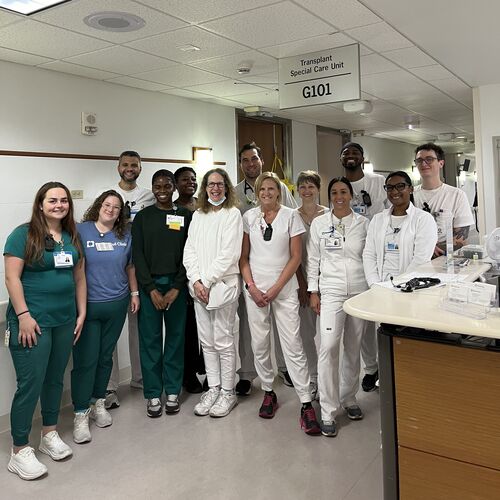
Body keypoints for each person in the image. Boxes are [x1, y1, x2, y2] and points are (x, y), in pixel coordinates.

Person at [4, 182, 86, 480]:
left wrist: (81, 312)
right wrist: (23, 315)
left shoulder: (71, 236)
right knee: (30, 383)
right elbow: (12, 278)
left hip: (64, 320)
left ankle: (49, 433)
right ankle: (19, 450)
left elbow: (79, 277)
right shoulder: (23, 235)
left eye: (64, 200)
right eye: (52, 200)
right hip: (32, 323)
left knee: (54, 379)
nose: (59, 205)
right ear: (40, 204)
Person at [240, 172, 320, 435]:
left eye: (271, 189)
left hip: (283, 290)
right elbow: (243, 258)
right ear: (257, 193)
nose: (266, 193)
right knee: (260, 343)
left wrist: (275, 288)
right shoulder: (249, 217)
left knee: (292, 344)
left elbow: (296, 257)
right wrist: (252, 287)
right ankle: (268, 391)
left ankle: (305, 401)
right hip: (255, 291)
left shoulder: (290, 216)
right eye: (262, 189)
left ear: (279, 191)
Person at [71, 190, 139, 444]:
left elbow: (130, 266)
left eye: (116, 207)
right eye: (107, 204)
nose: (110, 209)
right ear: (99, 206)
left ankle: (98, 401)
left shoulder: (125, 235)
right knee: (85, 360)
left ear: (121, 212)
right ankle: (80, 412)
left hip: (116, 304)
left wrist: (134, 293)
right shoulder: (82, 231)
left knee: (104, 357)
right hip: (88, 306)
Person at [307, 177, 369, 437]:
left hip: (359, 291)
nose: (339, 196)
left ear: (351, 195)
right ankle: (327, 409)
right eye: (334, 192)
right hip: (331, 291)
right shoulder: (320, 224)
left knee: (354, 348)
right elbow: (313, 259)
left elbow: (370, 257)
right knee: (329, 346)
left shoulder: (364, 224)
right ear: (329, 196)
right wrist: (313, 291)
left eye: (344, 191)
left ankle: (349, 398)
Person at [234, 142, 296, 396]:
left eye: (254, 158)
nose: (251, 163)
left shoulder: (279, 187)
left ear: (261, 160)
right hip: (249, 268)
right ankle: (247, 373)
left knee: (284, 325)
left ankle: (284, 367)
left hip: (279, 267)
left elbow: (292, 218)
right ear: (240, 164)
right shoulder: (235, 193)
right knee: (250, 327)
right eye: (245, 160)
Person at [183, 168, 243, 417]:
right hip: (200, 289)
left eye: (219, 184)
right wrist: (196, 280)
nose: (215, 188)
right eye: (211, 184)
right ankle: (213, 388)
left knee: (224, 341)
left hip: (222, 286)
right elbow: (189, 250)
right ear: (205, 188)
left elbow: (230, 254)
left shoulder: (233, 214)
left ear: (226, 187)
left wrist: (206, 281)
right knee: (207, 342)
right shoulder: (198, 215)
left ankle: (228, 392)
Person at [132, 169, 191, 417]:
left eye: (167, 185)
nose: (163, 190)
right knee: (150, 341)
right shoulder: (143, 218)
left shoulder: (185, 215)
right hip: (150, 287)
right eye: (158, 186)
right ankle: (153, 394)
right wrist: (150, 289)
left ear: (174, 187)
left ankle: (173, 391)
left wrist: (177, 287)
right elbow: (138, 256)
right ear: (152, 188)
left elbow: (190, 253)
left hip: (177, 286)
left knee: (176, 340)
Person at [104, 151, 155, 410]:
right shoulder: (107, 196)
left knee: (139, 328)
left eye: (134, 165)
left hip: (140, 271)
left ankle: (140, 377)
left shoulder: (149, 196)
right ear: (118, 167)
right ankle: (109, 386)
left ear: (140, 168)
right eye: (125, 164)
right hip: (114, 272)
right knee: (110, 334)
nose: (130, 168)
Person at [341, 142, 388, 392]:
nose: (350, 156)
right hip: (353, 259)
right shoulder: (341, 185)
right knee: (363, 322)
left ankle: (389, 365)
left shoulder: (378, 182)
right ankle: (371, 369)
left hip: (380, 256)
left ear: (362, 157)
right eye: (346, 153)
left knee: (385, 317)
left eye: (355, 153)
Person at [363, 171, 437, 288]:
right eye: (389, 187)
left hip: (409, 287)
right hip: (380, 286)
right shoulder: (378, 219)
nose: (394, 191)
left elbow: (420, 259)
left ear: (411, 189)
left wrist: (401, 285)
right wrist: (374, 284)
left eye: (400, 186)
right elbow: (369, 254)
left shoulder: (423, 219)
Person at [295, 170, 328, 399]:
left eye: (311, 186)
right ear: (297, 190)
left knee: (328, 336)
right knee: (306, 335)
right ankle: (313, 377)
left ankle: (328, 378)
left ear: (318, 189)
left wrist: (319, 284)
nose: (307, 191)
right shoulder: (292, 216)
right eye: (303, 187)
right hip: (301, 282)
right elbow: (291, 255)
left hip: (326, 282)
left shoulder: (328, 215)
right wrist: (303, 284)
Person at [413, 143, 474, 256]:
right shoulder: (409, 195)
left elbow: (461, 239)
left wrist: (428, 248)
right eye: (419, 160)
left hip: (444, 259)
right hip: (413, 259)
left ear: (441, 163)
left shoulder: (456, 195)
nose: (423, 163)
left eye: (429, 159)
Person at [174, 166, 205, 394]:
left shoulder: (203, 207)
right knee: (188, 329)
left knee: (206, 327)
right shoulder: (173, 209)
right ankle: (189, 374)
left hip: (204, 272)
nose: (190, 183)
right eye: (185, 180)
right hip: (182, 274)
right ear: (176, 184)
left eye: (193, 179)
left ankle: (208, 370)